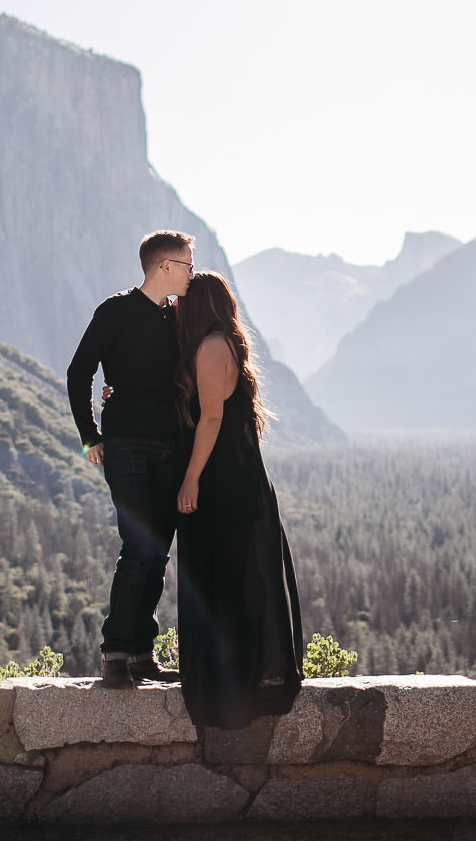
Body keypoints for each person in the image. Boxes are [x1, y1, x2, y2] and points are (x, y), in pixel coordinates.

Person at [173, 269, 303, 728]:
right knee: (238, 584)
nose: (177, 304)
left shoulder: (210, 348)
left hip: (222, 485)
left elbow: (210, 421)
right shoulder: (227, 344)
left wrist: (190, 479)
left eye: (183, 299)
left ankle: (229, 692)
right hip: (238, 481)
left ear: (200, 303)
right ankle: (241, 685)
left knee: (225, 584)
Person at [67, 229, 197, 687]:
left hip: (170, 449)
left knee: (158, 551)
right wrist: (90, 436)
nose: (192, 273)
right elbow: (79, 371)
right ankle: (115, 653)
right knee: (138, 546)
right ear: (165, 266)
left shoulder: (177, 317)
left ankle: (142, 653)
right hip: (126, 446)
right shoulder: (115, 311)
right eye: (187, 264)